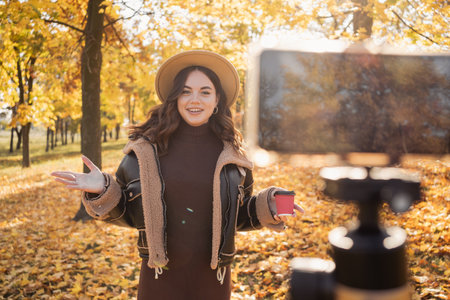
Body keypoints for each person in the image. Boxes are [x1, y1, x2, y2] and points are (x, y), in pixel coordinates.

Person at [51, 50, 304, 300]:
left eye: (205, 92)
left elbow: (235, 216)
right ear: (175, 98)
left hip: (213, 283)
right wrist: (103, 189)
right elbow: (129, 215)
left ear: (217, 101)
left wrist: (270, 204)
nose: (195, 99)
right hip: (159, 282)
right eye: (186, 91)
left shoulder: (234, 156)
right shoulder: (143, 152)